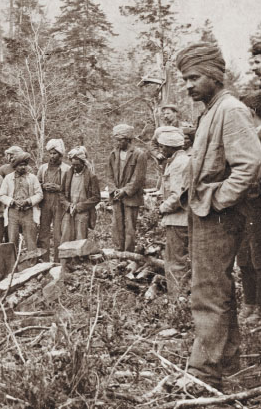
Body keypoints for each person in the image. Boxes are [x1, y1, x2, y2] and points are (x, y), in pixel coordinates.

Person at [176, 42, 261, 388]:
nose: (188, 85)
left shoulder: (230, 110)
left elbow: (251, 164)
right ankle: (226, 358)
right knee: (216, 287)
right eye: (185, 78)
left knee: (208, 291)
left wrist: (219, 200)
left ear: (215, 75)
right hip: (206, 212)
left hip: (218, 215)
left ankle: (204, 370)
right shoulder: (213, 110)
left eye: (194, 77)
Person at [236, 90, 261, 325]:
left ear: (250, 113)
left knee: (260, 257)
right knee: (244, 256)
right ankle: (249, 303)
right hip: (245, 206)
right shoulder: (250, 138)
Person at [155, 126, 191, 299]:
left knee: (175, 262)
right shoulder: (178, 161)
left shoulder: (178, 164)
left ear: (170, 147)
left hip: (178, 220)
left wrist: (162, 208)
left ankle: (176, 299)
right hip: (179, 219)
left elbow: (178, 196)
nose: (161, 150)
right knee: (179, 261)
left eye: (163, 147)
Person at [107, 124, 147, 253]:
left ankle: (128, 253)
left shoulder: (139, 154)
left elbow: (138, 178)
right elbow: (109, 175)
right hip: (117, 196)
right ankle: (118, 251)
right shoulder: (113, 154)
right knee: (116, 225)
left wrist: (125, 191)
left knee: (130, 226)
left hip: (131, 196)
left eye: (121, 140)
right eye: (117, 140)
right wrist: (114, 190)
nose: (118, 143)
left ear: (129, 139)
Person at [0, 151, 43, 250]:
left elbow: (40, 194)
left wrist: (28, 201)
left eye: (24, 165)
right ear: (15, 166)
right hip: (13, 213)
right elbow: (1, 195)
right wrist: (12, 201)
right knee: (12, 240)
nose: (22, 167)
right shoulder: (8, 178)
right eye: (20, 165)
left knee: (30, 240)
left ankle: (31, 263)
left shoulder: (32, 178)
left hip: (28, 212)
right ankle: (12, 263)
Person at [37, 139, 70, 261]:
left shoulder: (67, 169)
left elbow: (70, 188)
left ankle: (58, 261)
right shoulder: (43, 168)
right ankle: (43, 260)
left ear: (60, 154)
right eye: (50, 153)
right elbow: (36, 184)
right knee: (43, 232)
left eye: (55, 153)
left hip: (59, 203)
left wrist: (59, 188)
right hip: (45, 202)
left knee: (58, 233)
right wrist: (43, 186)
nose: (52, 156)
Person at [61, 146, 101, 243]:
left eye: (77, 165)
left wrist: (79, 206)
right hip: (69, 211)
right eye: (73, 165)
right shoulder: (67, 175)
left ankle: (79, 258)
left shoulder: (91, 176)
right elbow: (61, 194)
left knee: (80, 239)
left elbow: (96, 197)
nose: (75, 167)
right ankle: (66, 258)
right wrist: (68, 205)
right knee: (66, 237)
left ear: (83, 163)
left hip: (83, 212)